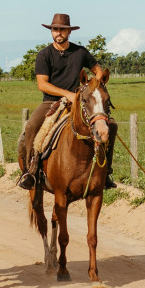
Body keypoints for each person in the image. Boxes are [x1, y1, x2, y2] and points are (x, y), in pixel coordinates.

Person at [16, 13, 117, 191]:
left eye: (62, 29)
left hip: (79, 102)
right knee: (32, 126)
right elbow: (42, 84)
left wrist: (92, 87)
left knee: (112, 125)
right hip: (51, 102)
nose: (59, 33)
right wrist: (66, 94)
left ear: (69, 32)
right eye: (55, 29)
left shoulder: (80, 52)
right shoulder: (44, 55)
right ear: (51, 31)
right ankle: (30, 170)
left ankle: (106, 171)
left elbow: (98, 71)